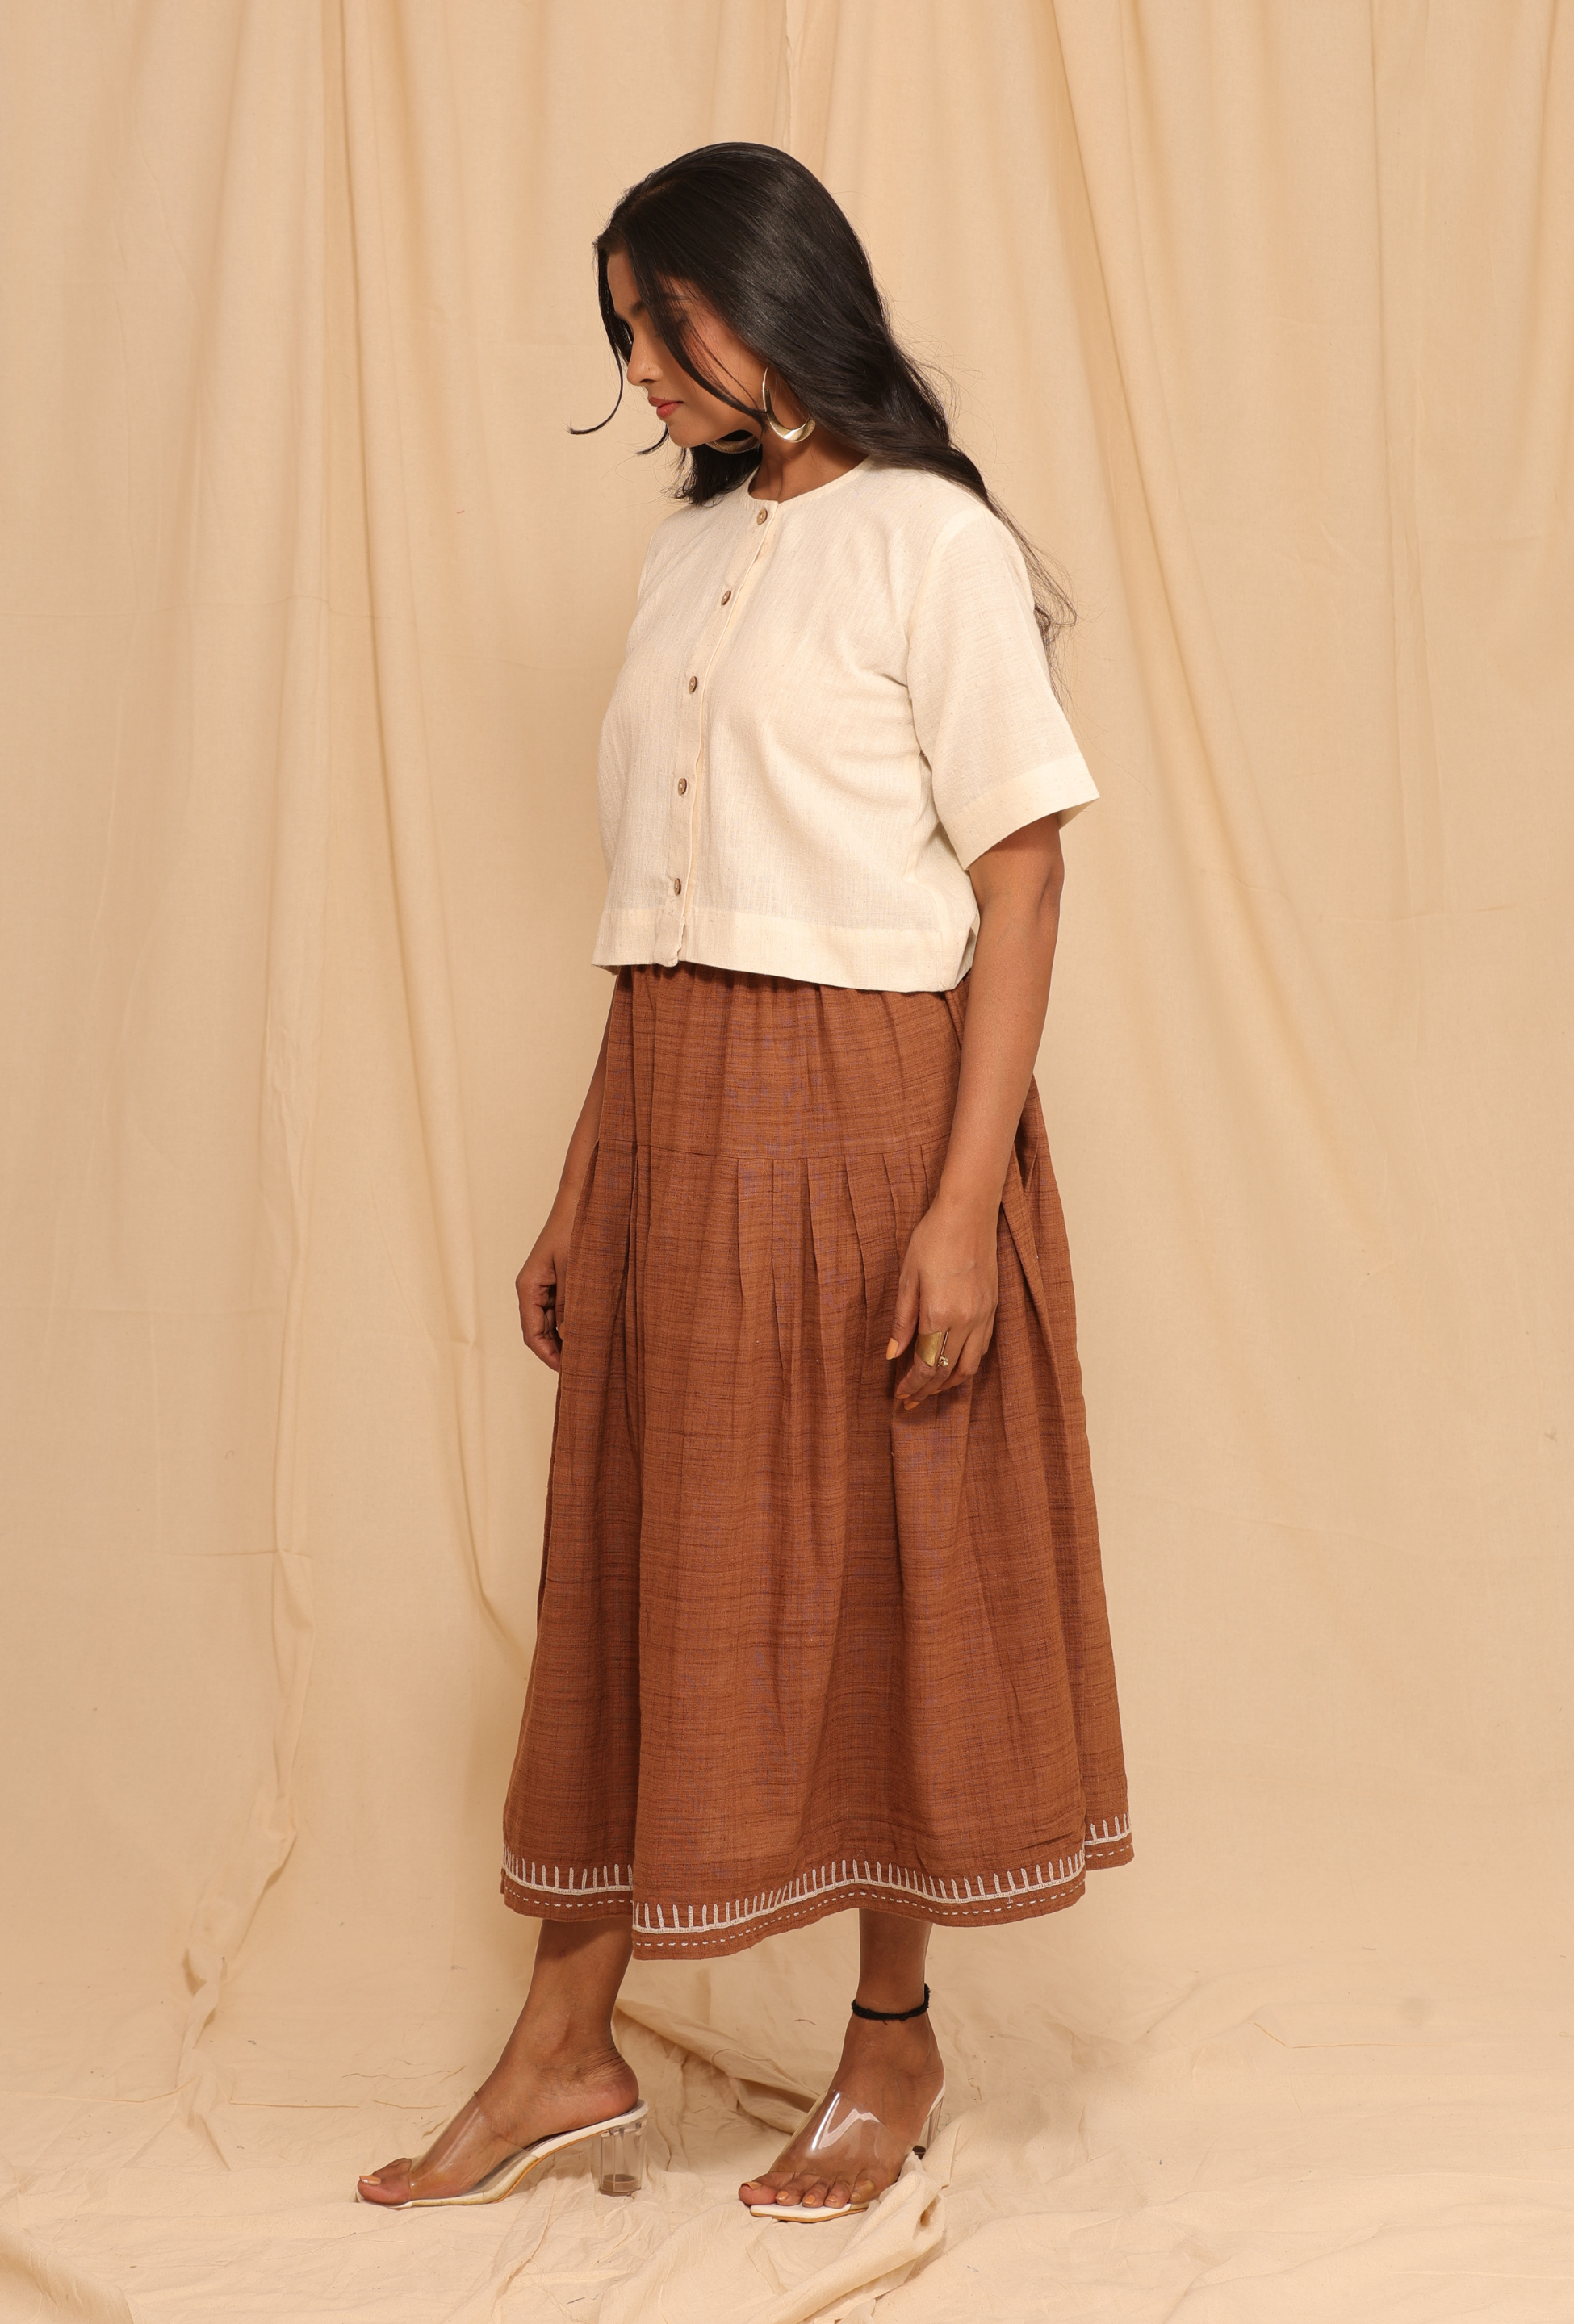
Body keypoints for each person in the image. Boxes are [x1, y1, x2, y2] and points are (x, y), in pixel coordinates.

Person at [359, 140, 1131, 2222]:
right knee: (642, 1556)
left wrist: (959, 1207)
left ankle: (892, 2041)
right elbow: (658, 906)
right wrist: (584, 1181)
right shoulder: (684, 557)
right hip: (675, 1110)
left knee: (889, 1562)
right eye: (622, 333)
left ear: (775, 300)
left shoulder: (931, 543)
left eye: (662, 324)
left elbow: (1022, 880)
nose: (638, 371)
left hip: (874, 1107)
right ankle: (564, 2043)